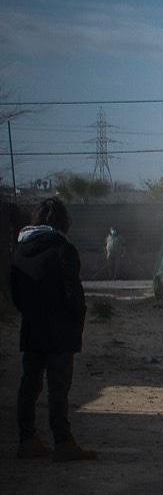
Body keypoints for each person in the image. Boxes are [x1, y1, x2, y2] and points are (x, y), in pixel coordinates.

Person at [10, 197, 94, 461]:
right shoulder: (63, 249)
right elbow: (73, 294)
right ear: (62, 222)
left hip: (33, 329)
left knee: (29, 385)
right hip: (59, 332)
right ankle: (63, 442)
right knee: (58, 387)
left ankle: (27, 440)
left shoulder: (20, 251)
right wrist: (76, 320)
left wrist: (32, 314)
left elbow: (16, 295)